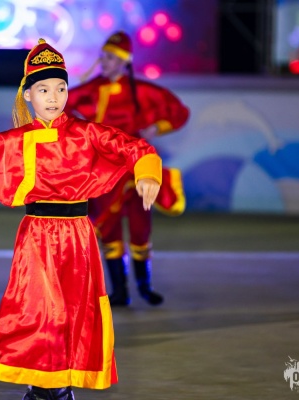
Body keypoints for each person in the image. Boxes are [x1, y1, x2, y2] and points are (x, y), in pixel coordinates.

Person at [0, 39, 162, 400]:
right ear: (28, 95)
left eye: (61, 88)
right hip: (37, 238)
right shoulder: (15, 142)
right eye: (44, 89)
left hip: (78, 239)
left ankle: (55, 388)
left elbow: (135, 148)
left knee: (75, 313)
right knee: (41, 312)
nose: (54, 97)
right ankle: (46, 388)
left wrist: (147, 172)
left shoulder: (87, 134)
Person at [65, 31, 190, 308]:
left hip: (135, 171)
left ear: (124, 61)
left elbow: (179, 112)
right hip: (105, 172)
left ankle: (145, 287)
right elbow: (60, 108)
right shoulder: (90, 90)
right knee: (108, 228)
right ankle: (120, 291)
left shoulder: (143, 91)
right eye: (103, 57)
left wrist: (156, 127)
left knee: (140, 227)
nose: (104, 62)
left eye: (111, 58)